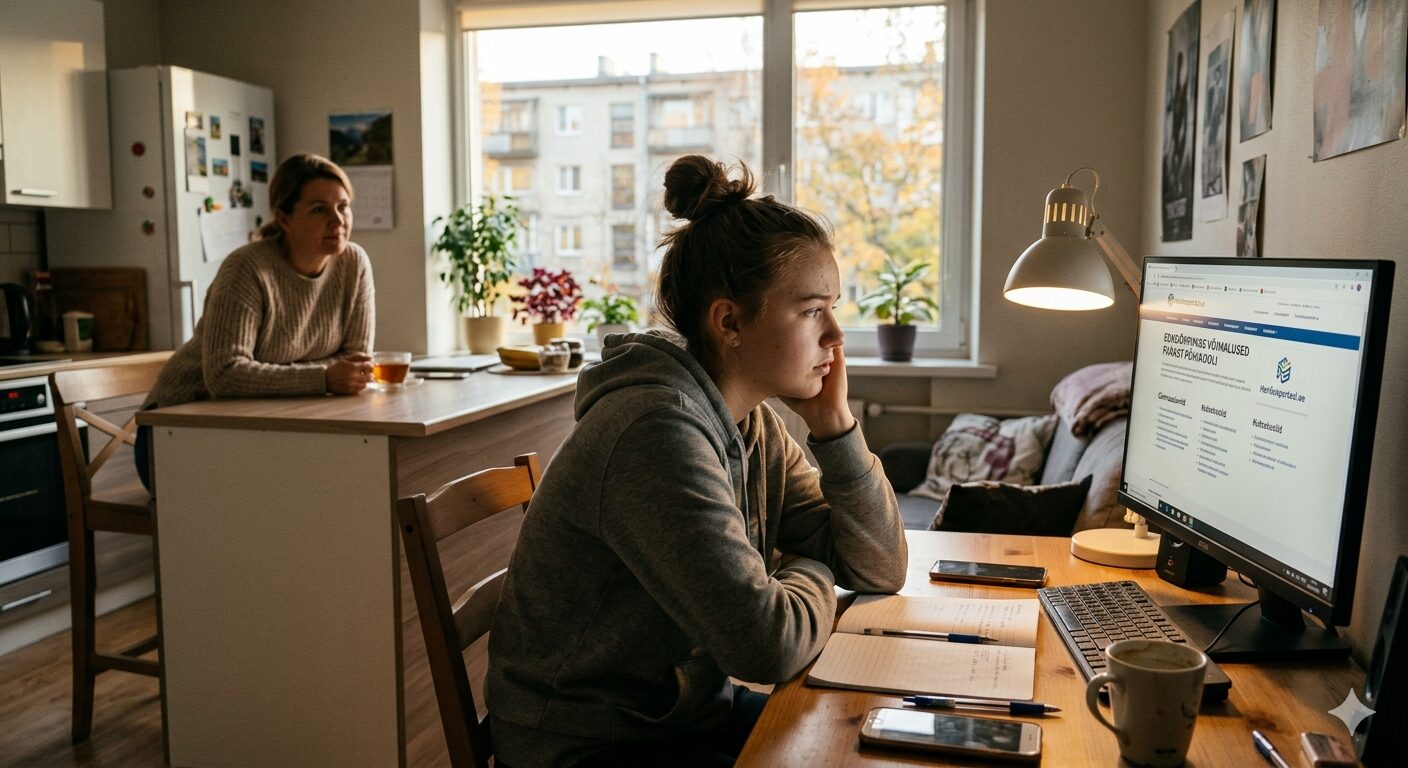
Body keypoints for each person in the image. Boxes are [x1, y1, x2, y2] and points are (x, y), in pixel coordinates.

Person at [486, 155, 908, 766]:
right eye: (813, 310)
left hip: (685, 717)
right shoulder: (655, 433)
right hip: (590, 744)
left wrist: (835, 427)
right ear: (730, 321)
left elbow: (880, 566)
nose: (836, 335)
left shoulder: (750, 420)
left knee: (861, 747)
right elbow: (764, 644)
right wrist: (817, 570)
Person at [134, 153, 375, 492]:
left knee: (343, 486)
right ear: (284, 219)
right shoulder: (247, 269)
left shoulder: (354, 264)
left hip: (269, 429)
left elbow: (354, 368)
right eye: (319, 209)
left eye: (343, 207)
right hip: (179, 433)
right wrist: (322, 376)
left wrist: (320, 377)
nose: (338, 220)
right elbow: (224, 374)